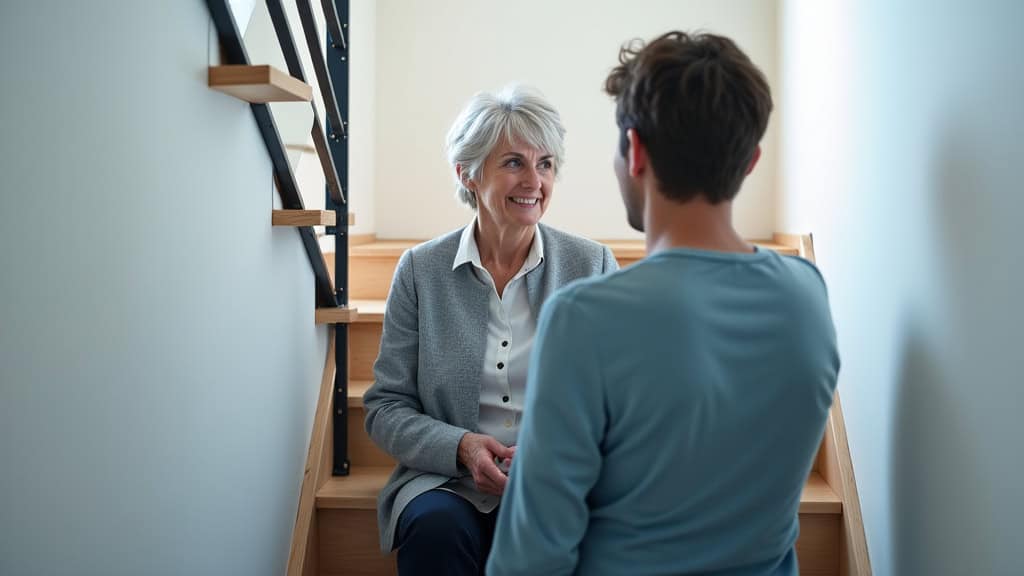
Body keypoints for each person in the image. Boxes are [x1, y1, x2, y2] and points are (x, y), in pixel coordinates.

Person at [487, 32, 840, 576]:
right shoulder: (807, 294)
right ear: (750, 161)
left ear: (636, 151)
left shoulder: (584, 318)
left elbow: (530, 558)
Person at [362, 84, 619, 576]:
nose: (534, 181)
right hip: (445, 479)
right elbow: (386, 407)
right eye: (514, 162)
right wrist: (461, 447)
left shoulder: (592, 265)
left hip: (555, 481)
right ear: (468, 174)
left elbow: (619, 404)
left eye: (546, 164)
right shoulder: (420, 270)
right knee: (435, 530)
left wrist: (553, 458)